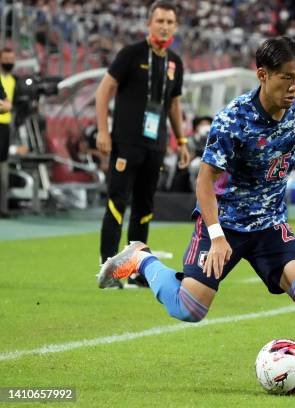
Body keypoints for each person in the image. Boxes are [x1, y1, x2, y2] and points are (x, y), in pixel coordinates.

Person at [97, 37, 295, 398]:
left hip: (270, 224)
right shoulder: (234, 120)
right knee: (189, 309)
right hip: (224, 223)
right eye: (286, 78)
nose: (294, 87)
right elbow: (204, 182)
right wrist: (217, 237)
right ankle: (142, 258)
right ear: (262, 75)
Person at [95, 0, 189, 288]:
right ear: (149, 23)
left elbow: (174, 104)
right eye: (159, 21)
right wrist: (103, 131)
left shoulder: (175, 62)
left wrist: (181, 140)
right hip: (125, 142)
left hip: (155, 146)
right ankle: (108, 270)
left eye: (169, 22)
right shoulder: (131, 54)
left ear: (175, 26)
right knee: (117, 203)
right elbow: (103, 92)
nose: (164, 26)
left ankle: (136, 272)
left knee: (145, 208)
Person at [0, 49, 14, 218]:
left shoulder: (13, 80)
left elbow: (8, 105)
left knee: (3, 169)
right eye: (6, 59)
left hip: (4, 127)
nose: (9, 61)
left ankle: (3, 209)